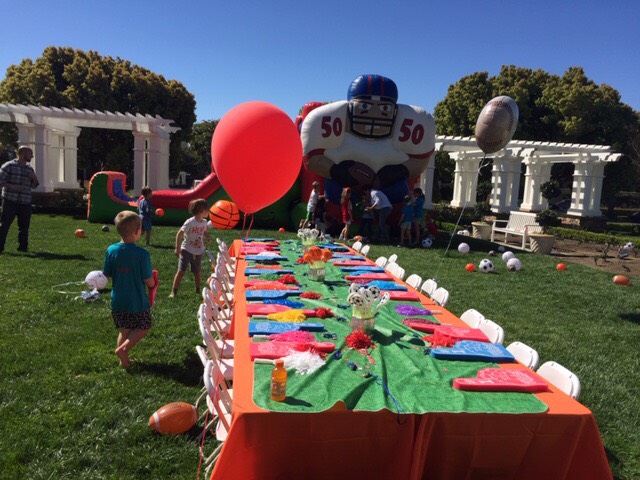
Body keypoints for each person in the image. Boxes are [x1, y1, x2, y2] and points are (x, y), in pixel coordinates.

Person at [103, 211, 156, 368]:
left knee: (125, 328)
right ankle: (122, 350)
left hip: (118, 300)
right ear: (138, 231)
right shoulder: (142, 254)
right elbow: (148, 280)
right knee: (144, 326)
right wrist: (153, 284)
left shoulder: (111, 250)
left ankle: (123, 362)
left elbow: (108, 273)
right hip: (137, 302)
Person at [0, 146, 39, 253]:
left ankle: (23, 248)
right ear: (23, 153)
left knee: (24, 227)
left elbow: (35, 185)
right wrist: (12, 186)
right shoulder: (9, 166)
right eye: (30, 153)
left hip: (25, 202)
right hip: (10, 201)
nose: (32, 156)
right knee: (5, 225)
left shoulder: (30, 169)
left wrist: (34, 178)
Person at [170, 198, 210, 297]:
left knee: (197, 272)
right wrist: (177, 248)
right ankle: (174, 291)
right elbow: (179, 234)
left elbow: (202, 230)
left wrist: (206, 235)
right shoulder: (190, 222)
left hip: (199, 250)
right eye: (207, 209)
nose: (209, 211)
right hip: (186, 250)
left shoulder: (204, 222)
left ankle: (197, 290)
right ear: (201, 210)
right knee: (181, 271)